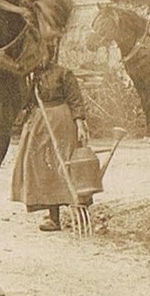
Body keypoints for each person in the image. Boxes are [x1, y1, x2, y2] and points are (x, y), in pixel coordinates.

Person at [10, 47, 91, 232]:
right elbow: (25, 102)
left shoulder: (64, 73)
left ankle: (79, 206)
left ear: (50, 55)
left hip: (62, 121)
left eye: (43, 55)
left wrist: (79, 124)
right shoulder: (31, 76)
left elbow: (75, 100)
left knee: (64, 164)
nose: (40, 59)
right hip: (39, 122)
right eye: (35, 56)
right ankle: (53, 217)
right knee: (42, 166)